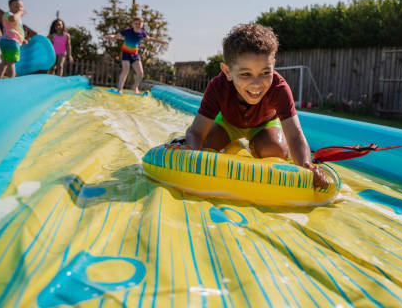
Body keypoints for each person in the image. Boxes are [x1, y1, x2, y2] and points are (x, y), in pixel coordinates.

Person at [167, 23, 329, 189]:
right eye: (246, 74)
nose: (257, 84)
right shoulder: (218, 86)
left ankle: (256, 143)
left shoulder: (279, 88)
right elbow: (196, 131)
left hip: (264, 124)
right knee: (206, 146)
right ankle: (229, 143)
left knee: (275, 151)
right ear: (227, 71)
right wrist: (191, 151)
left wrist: (306, 166)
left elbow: (295, 135)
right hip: (229, 122)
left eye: (266, 73)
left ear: (273, 64)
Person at [104, 16, 167, 94]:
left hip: (135, 55)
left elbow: (149, 38)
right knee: (125, 69)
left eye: (139, 24)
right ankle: (120, 89)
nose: (137, 25)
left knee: (140, 73)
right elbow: (117, 36)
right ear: (132, 24)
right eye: (136, 23)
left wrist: (161, 41)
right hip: (126, 53)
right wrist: (111, 36)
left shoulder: (142, 33)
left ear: (142, 25)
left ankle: (135, 87)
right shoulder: (127, 31)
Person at [0, 0, 28, 79]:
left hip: (8, 41)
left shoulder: (17, 18)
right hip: (11, 41)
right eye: (17, 6)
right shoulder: (8, 14)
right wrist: (20, 12)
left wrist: (21, 39)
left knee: (5, 61)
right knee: (12, 62)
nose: (20, 8)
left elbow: (16, 30)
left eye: (21, 6)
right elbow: (13, 18)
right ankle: (11, 81)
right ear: (10, 6)